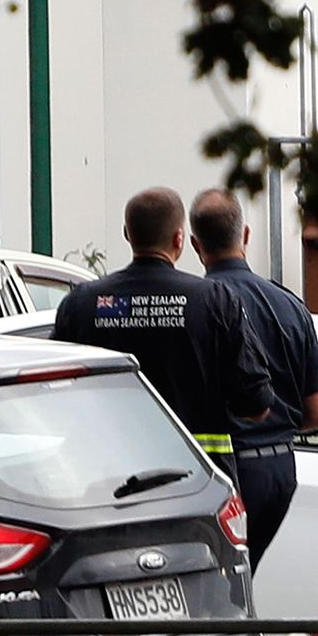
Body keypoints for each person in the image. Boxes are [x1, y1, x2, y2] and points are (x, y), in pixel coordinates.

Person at [53, 187, 276, 479]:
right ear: (179, 239)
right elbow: (256, 404)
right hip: (199, 483)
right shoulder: (215, 301)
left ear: (126, 234)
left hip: (101, 480)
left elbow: (53, 394)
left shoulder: (81, 304)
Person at [189, 188, 318, 569]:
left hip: (220, 471)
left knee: (215, 583)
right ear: (246, 235)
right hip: (278, 473)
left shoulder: (193, 307)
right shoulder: (288, 305)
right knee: (245, 578)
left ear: (193, 243)